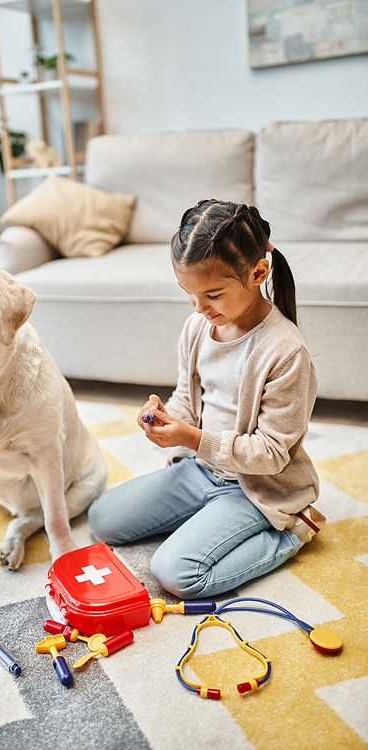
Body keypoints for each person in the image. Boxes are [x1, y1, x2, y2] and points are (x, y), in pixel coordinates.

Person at [88, 199, 325, 599]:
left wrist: (193, 439)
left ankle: (293, 533)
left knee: (175, 574)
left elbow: (271, 454)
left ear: (258, 273)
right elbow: (188, 398)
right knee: (103, 520)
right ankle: (207, 518)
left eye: (212, 294)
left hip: (258, 486)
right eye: (189, 293)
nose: (199, 307)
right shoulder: (198, 328)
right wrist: (166, 417)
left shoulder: (286, 352)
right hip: (201, 470)